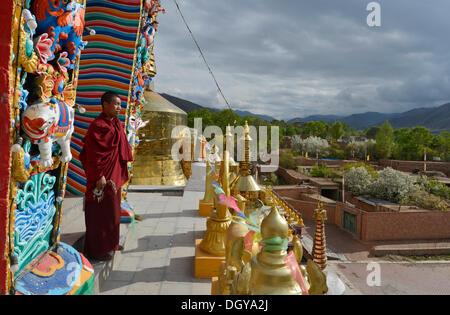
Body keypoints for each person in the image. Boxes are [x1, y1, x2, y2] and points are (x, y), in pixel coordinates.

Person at [79, 91, 133, 261]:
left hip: (114, 175)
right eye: (116, 104)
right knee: (100, 213)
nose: (119, 108)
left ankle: (112, 244)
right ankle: (98, 250)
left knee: (113, 212)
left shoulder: (115, 123)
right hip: (102, 177)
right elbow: (94, 154)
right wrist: (99, 175)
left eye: (120, 105)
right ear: (105, 105)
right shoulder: (98, 126)